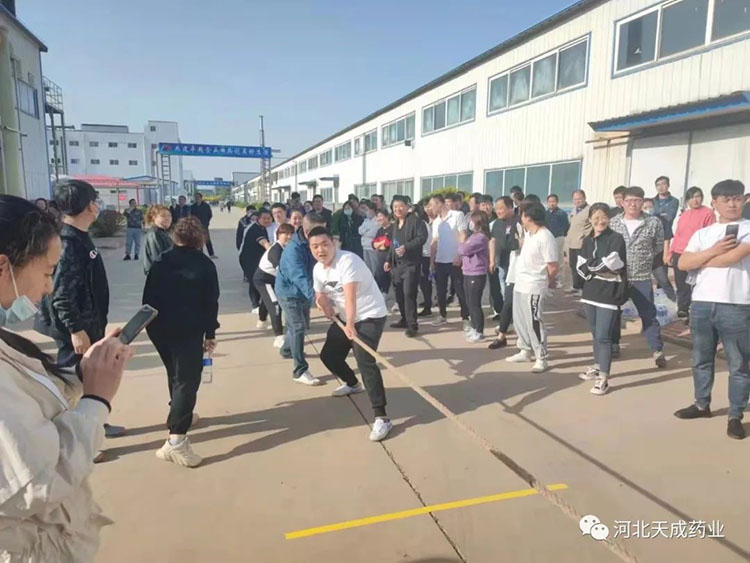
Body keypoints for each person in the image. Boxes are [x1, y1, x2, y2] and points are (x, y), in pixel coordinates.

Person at [0, 195, 135, 562]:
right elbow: (41, 481)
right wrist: (96, 401)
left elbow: (32, 393)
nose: (48, 288)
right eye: (47, 273)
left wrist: (84, 372)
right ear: (3, 267)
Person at [34, 180, 125, 444]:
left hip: (88, 321)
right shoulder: (68, 243)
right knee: (73, 382)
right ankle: (77, 438)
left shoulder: (79, 236)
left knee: (88, 378)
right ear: (89, 206)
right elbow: (61, 294)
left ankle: (94, 424)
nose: (97, 205)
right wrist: (75, 330)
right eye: (95, 200)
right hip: (75, 327)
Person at [674, 179, 750, 440]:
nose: (732, 204)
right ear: (714, 203)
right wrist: (713, 250)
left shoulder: (747, 229)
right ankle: (701, 404)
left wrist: (701, 259)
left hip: (737, 303)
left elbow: (733, 258)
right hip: (702, 303)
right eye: (725, 199)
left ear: (744, 201)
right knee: (701, 358)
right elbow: (683, 263)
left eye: (737, 199)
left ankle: (735, 415)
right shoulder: (703, 234)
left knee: (739, 363)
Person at [143, 217, 219, 466]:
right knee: (187, 380)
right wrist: (210, 333)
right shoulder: (204, 265)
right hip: (188, 330)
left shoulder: (161, 261)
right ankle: (176, 440)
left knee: (175, 373)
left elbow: (147, 298)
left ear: (175, 237)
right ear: (199, 239)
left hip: (159, 329)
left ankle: (179, 413)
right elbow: (211, 302)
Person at [310, 228, 393, 441]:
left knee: (364, 361)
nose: (320, 250)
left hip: (369, 315)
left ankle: (382, 417)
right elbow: (320, 293)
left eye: (325, 244)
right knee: (329, 355)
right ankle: (352, 384)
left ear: (333, 243)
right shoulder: (318, 269)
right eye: (315, 246)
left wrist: (349, 324)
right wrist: (323, 304)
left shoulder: (348, 261)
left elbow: (350, 297)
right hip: (345, 316)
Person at [610, 186, 667, 368]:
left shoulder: (653, 223)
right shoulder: (614, 223)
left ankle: (657, 349)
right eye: (629, 201)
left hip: (642, 277)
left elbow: (658, 246)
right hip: (618, 276)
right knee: (614, 312)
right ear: (622, 203)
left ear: (643, 202)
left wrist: (644, 260)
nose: (633, 204)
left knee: (648, 314)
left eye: (637, 201)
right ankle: (614, 344)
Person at [576, 203, 628, 396]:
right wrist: (595, 268)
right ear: (590, 219)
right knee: (595, 333)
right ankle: (597, 366)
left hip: (609, 293)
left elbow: (612, 263)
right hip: (590, 293)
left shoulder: (616, 238)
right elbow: (580, 266)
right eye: (596, 218)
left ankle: (603, 378)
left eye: (604, 217)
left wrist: (592, 267)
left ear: (609, 219)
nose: (600, 221)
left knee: (604, 337)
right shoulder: (588, 241)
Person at [276, 212, 327, 385]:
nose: (322, 236)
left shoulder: (317, 244)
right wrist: (317, 298)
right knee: (298, 327)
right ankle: (299, 371)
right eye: (318, 231)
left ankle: (286, 350)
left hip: (304, 292)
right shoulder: (293, 250)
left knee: (298, 325)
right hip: (289, 293)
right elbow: (299, 277)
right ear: (306, 231)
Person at [507, 201, 558, 372]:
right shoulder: (529, 234)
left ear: (529, 217)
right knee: (520, 320)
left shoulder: (545, 237)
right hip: (520, 283)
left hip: (534, 286)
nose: (520, 218)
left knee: (534, 322)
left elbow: (553, 266)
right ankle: (525, 349)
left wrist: (545, 282)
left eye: (522, 215)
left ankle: (541, 356)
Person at [385, 196, 427, 338]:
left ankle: (412, 325)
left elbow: (421, 238)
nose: (398, 209)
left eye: (400, 206)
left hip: (411, 264)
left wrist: (406, 247)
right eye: (395, 206)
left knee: (409, 294)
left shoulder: (416, 221)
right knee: (399, 294)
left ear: (407, 207)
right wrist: (388, 260)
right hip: (397, 265)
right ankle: (404, 319)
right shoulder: (395, 223)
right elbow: (393, 244)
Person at [670, 187, 715, 318]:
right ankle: (683, 308)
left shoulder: (708, 213)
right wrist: (671, 252)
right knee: (681, 283)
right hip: (679, 252)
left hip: (695, 253)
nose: (695, 200)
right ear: (687, 200)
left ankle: (696, 309)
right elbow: (678, 234)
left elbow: (709, 235)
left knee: (696, 283)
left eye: (697, 196)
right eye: (691, 197)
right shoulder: (685, 214)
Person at [429, 194, 469, 326]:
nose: (430, 208)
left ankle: (465, 316)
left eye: (432, 205)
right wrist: (432, 261)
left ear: (439, 204)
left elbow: (463, 235)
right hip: (440, 260)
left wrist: (460, 254)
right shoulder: (436, 222)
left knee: (460, 289)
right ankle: (442, 315)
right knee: (440, 290)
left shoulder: (457, 215)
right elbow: (434, 241)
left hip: (455, 259)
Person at [254, 222, 295, 348]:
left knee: (267, 300)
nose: (289, 236)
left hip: (274, 279)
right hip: (263, 279)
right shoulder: (275, 250)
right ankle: (279, 337)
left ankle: (262, 320)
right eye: (285, 233)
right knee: (275, 305)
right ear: (278, 235)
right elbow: (282, 271)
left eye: (291, 233)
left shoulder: (288, 248)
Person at [488, 196, 519, 349]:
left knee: (511, 299)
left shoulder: (518, 222)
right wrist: (492, 260)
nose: (498, 211)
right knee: (506, 296)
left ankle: (506, 329)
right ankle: (508, 325)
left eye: (501, 208)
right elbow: (493, 241)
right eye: (497, 208)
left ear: (510, 207)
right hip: (502, 264)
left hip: (516, 266)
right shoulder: (496, 223)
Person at [458, 210, 490, 343]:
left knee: (474, 303)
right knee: (469, 302)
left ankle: (479, 331)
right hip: (467, 271)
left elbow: (464, 250)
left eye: (471, 221)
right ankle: (474, 327)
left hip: (476, 273)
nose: (469, 223)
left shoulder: (481, 237)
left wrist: (461, 241)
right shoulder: (474, 236)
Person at [240, 209, 272, 326]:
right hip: (248, 258)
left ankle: (259, 305)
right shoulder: (255, 229)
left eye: (269, 218)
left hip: (259, 257)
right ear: (258, 219)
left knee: (258, 279)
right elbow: (264, 243)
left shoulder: (264, 227)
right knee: (254, 279)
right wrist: (274, 252)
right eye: (264, 218)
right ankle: (255, 305)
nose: (267, 220)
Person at [566, 190, 590, 295]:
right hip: (572, 243)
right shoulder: (574, 210)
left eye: (579, 198)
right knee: (573, 265)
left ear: (584, 198)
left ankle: (583, 288)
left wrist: (585, 237)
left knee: (582, 266)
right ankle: (575, 285)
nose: (577, 201)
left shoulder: (589, 210)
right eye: (575, 199)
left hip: (582, 243)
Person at [546, 194, 569, 288]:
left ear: (557, 202)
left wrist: (562, 234)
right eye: (550, 202)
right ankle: (550, 279)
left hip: (558, 237)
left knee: (559, 258)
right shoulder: (545, 213)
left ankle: (559, 279)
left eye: (554, 201)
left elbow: (566, 226)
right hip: (548, 238)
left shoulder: (562, 213)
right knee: (549, 258)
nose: (552, 203)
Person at [142, 204, 173, 275]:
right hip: (159, 275)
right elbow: (158, 258)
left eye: (169, 216)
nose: (167, 218)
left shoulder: (164, 232)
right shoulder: (154, 234)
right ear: (154, 217)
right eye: (163, 216)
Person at [415, 204, 434, 318]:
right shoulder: (422, 224)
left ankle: (428, 306)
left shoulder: (421, 224)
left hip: (424, 255)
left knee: (425, 282)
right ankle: (427, 303)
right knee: (423, 282)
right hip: (423, 255)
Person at [372, 209, 393, 296]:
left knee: (392, 277)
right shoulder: (379, 231)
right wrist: (382, 243)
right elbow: (373, 244)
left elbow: (389, 243)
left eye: (381, 216)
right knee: (379, 275)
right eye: (377, 217)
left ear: (386, 216)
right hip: (380, 256)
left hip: (390, 256)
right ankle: (382, 293)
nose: (379, 218)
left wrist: (380, 244)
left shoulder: (393, 228)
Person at [190, 192, 216, 259]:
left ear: (201, 198)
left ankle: (211, 254)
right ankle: (200, 254)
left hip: (204, 226)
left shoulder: (206, 206)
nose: (197, 199)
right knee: (198, 240)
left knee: (207, 240)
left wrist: (206, 222)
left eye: (198, 197)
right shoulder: (192, 207)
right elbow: (191, 216)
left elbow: (210, 215)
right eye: (196, 197)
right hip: (196, 226)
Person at [359, 200, 381, 276]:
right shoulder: (366, 220)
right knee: (367, 266)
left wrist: (365, 231)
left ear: (372, 210)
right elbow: (360, 230)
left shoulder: (377, 220)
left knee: (374, 267)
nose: (366, 212)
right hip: (365, 246)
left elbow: (372, 233)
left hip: (372, 247)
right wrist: (366, 230)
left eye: (367, 209)